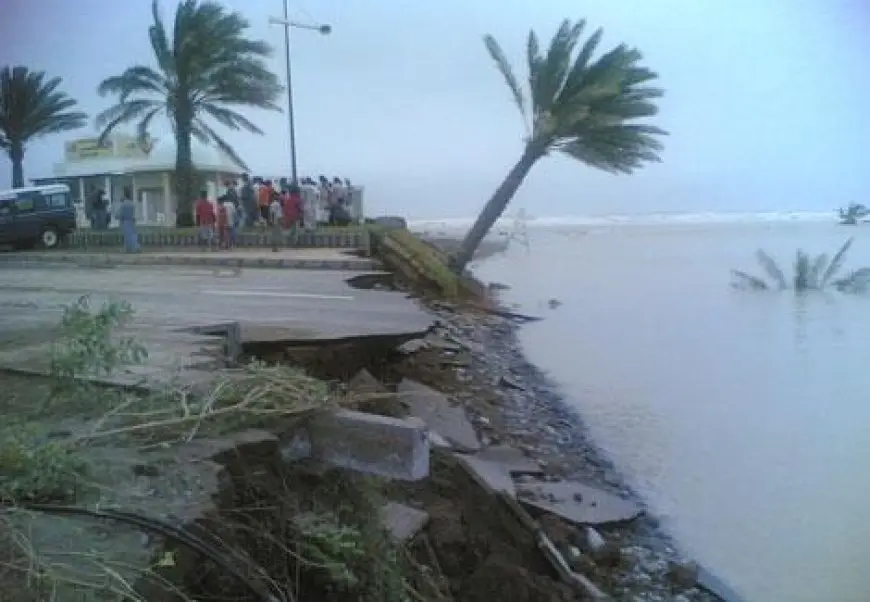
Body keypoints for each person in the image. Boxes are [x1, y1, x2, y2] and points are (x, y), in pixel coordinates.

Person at [116, 187, 139, 253]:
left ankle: (130, 249)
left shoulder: (123, 204)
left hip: (125, 221)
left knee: (128, 236)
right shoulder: (132, 204)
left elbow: (119, 214)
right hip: (131, 221)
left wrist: (116, 216)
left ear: (124, 195)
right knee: (133, 235)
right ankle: (135, 247)